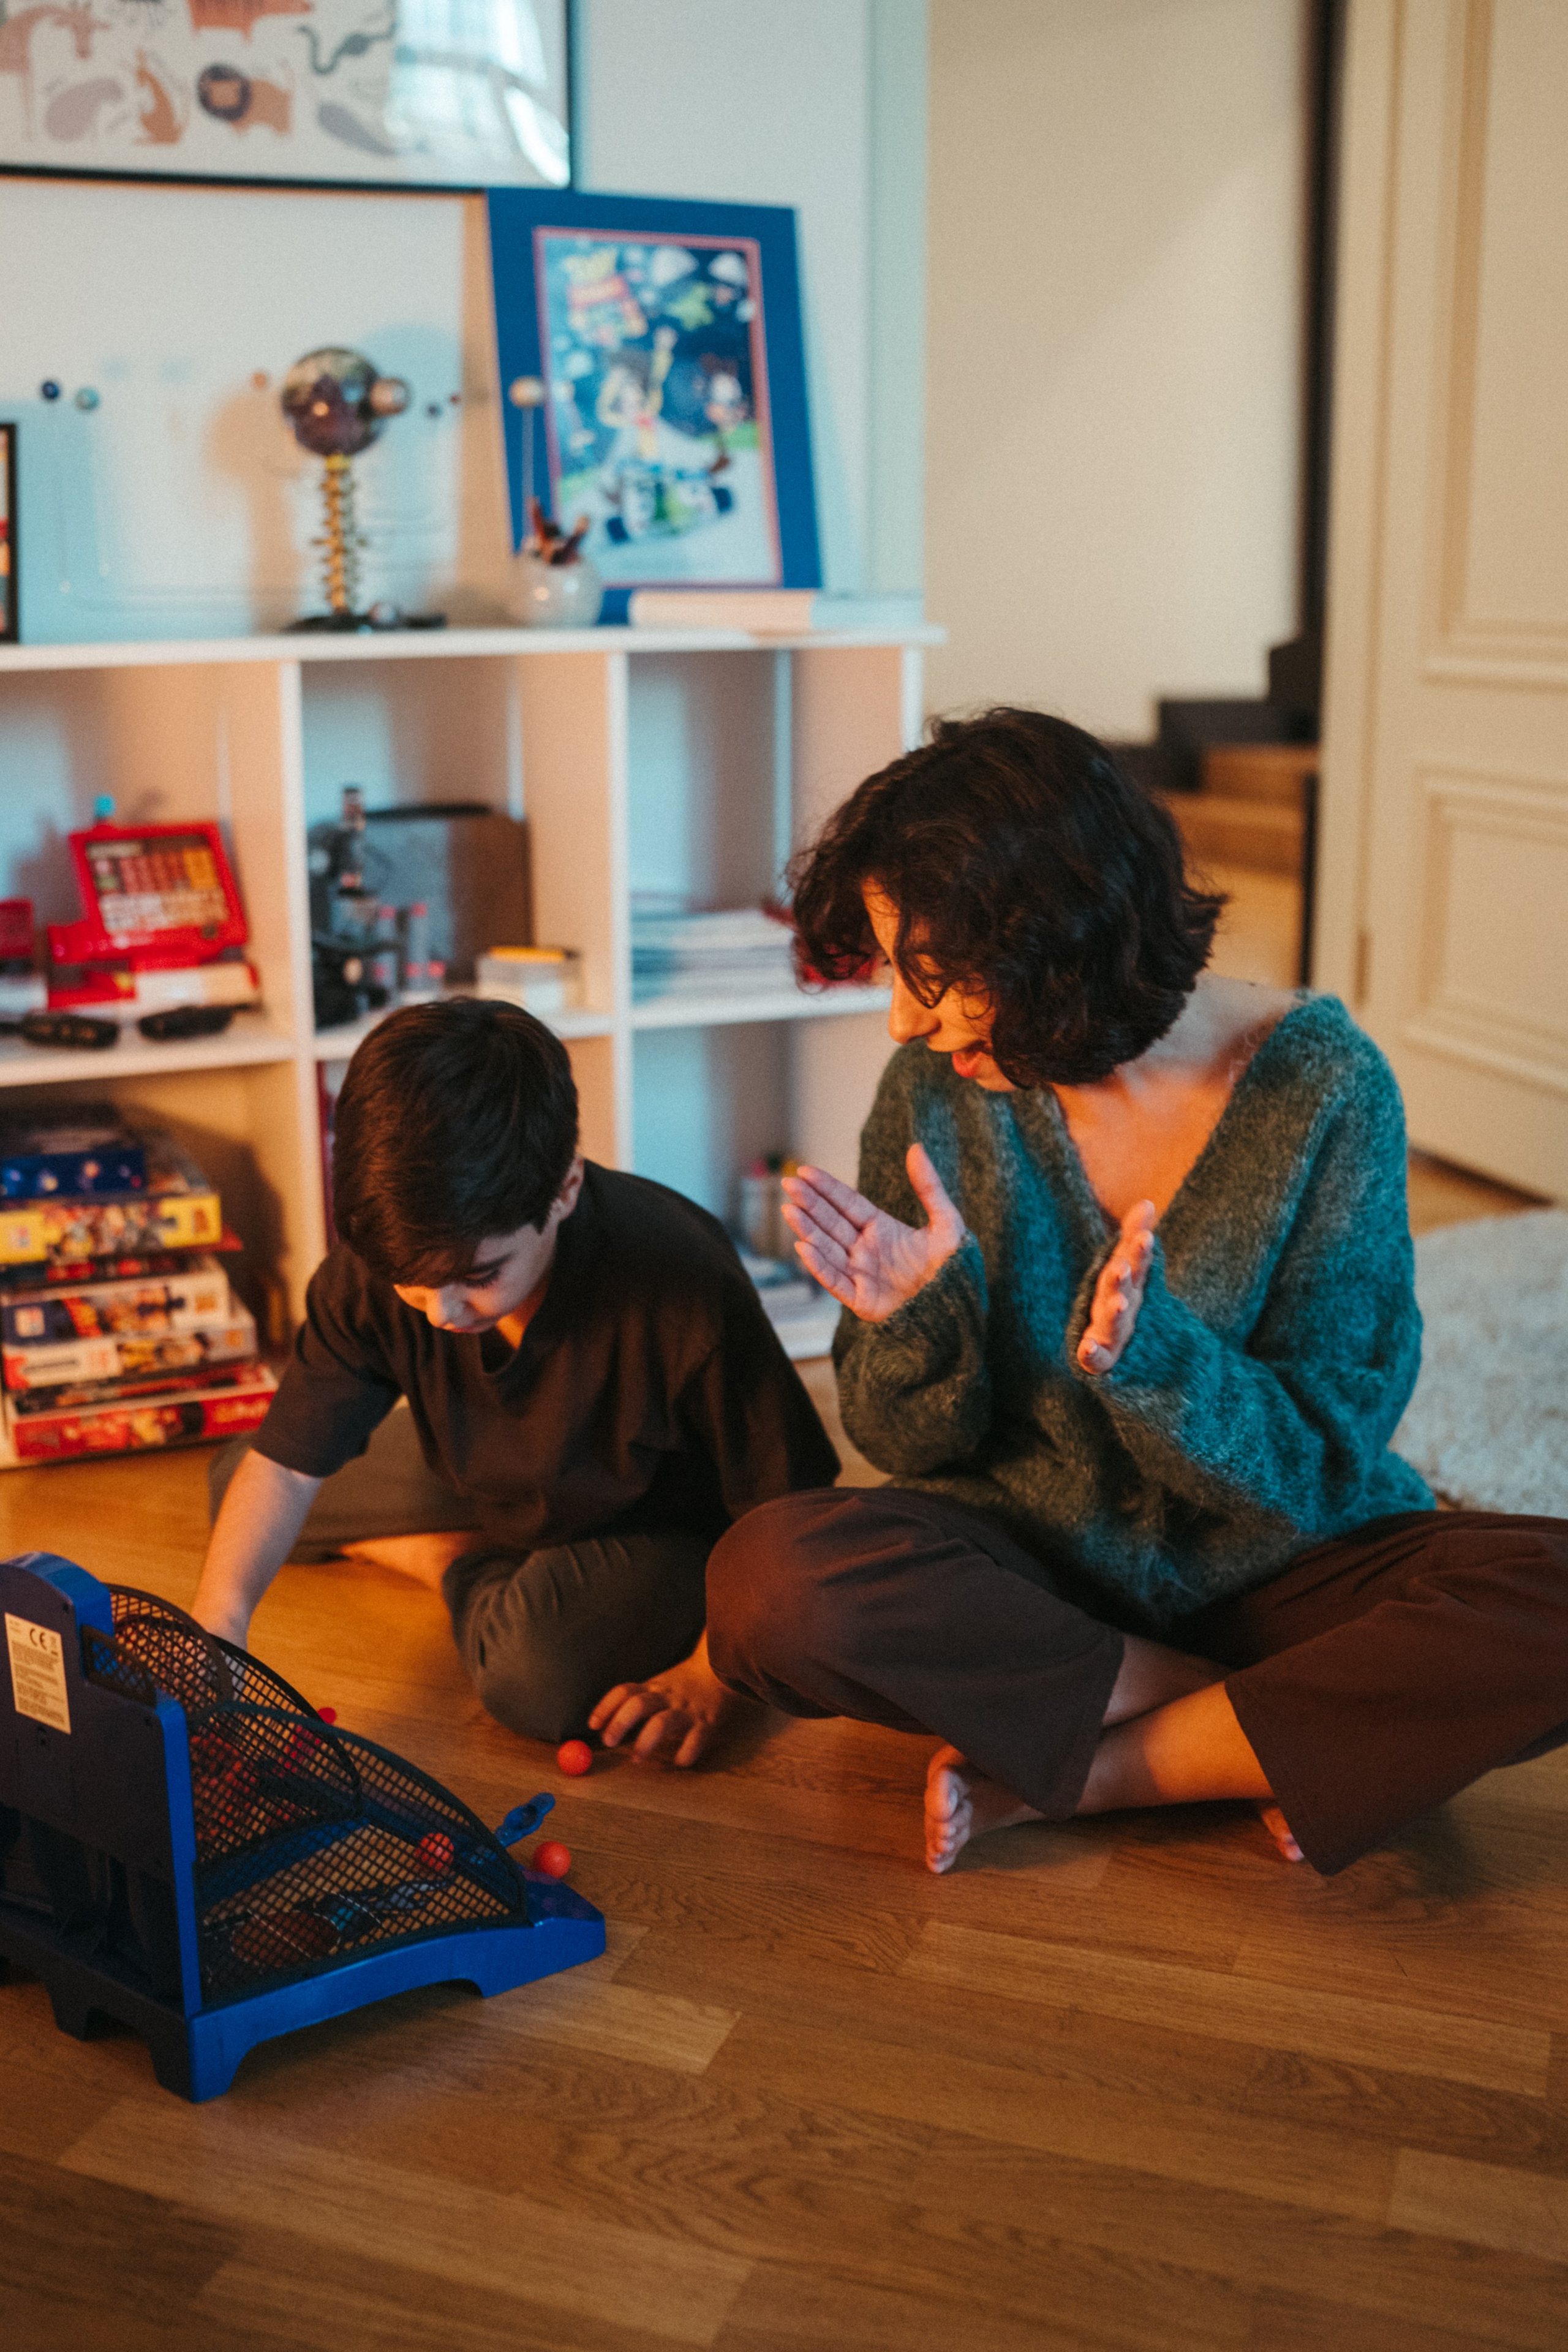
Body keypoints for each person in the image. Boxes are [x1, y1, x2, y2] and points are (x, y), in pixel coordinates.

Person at [703, 707, 1568, 1874]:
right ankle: (1251, 1724)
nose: (905, 1019)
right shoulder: (935, 1086)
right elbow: (903, 1446)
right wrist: (917, 1324)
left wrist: (1159, 1366)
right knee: (770, 1584)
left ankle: (1099, 1770)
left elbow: (1324, 1463)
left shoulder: (1327, 1090)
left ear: (1062, 945)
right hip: (1028, 1570)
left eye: (939, 979)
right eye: (899, 974)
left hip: (1277, 1570)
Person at [194, 998, 838, 1763]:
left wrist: (713, 1672)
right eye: (411, 1284)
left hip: (656, 1525)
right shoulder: (392, 1252)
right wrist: (218, 1629)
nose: (440, 1313)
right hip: (485, 1475)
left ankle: (453, 1561)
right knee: (240, 1483)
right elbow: (285, 1465)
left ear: (563, 1189)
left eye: (478, 1277)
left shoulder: (680, 1281)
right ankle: (466, 1553)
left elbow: (788, 1513)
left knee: (532, 1678)